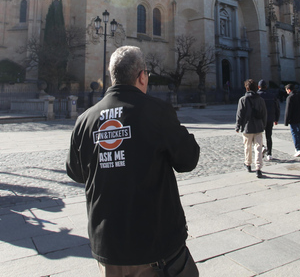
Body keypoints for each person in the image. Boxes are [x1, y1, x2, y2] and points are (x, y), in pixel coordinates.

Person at [66, 46, 200, 276]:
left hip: (108, 250)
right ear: (141, 76)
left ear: (112, 77)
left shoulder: (85, 119)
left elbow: (75, 172)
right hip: (155, 248)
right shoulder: (157, 111)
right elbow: (188, 160)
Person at [236, 79, 267, 178]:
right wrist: (264, 125)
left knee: (247, 146)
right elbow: (264, 114)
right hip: (258, 127)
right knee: (258, 147)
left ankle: (248, 164)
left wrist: (238, 125)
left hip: (247, 127)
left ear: (247, 88)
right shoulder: (260, 100)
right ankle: (258, 168)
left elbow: (240, 114)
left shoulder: (243, 99)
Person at [257, 80, 280, 160]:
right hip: (270, 119)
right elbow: (277, 108)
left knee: (258, 136)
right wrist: (276, 119)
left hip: (259, 119)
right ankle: (269, 154)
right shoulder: (272, 95)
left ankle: (262, 148)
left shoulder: (257, 96)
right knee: (268, 136)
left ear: (258, 87)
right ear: (266, 87)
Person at [284, 83, 300, 157]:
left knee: (294, 133)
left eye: (286, 90)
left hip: (293, 119)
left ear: (289, 90)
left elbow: (288, 110)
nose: (286, 92)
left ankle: (298, 149)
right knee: (298, 133)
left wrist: (286, 121)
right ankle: (299, 147)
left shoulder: (290, 97)